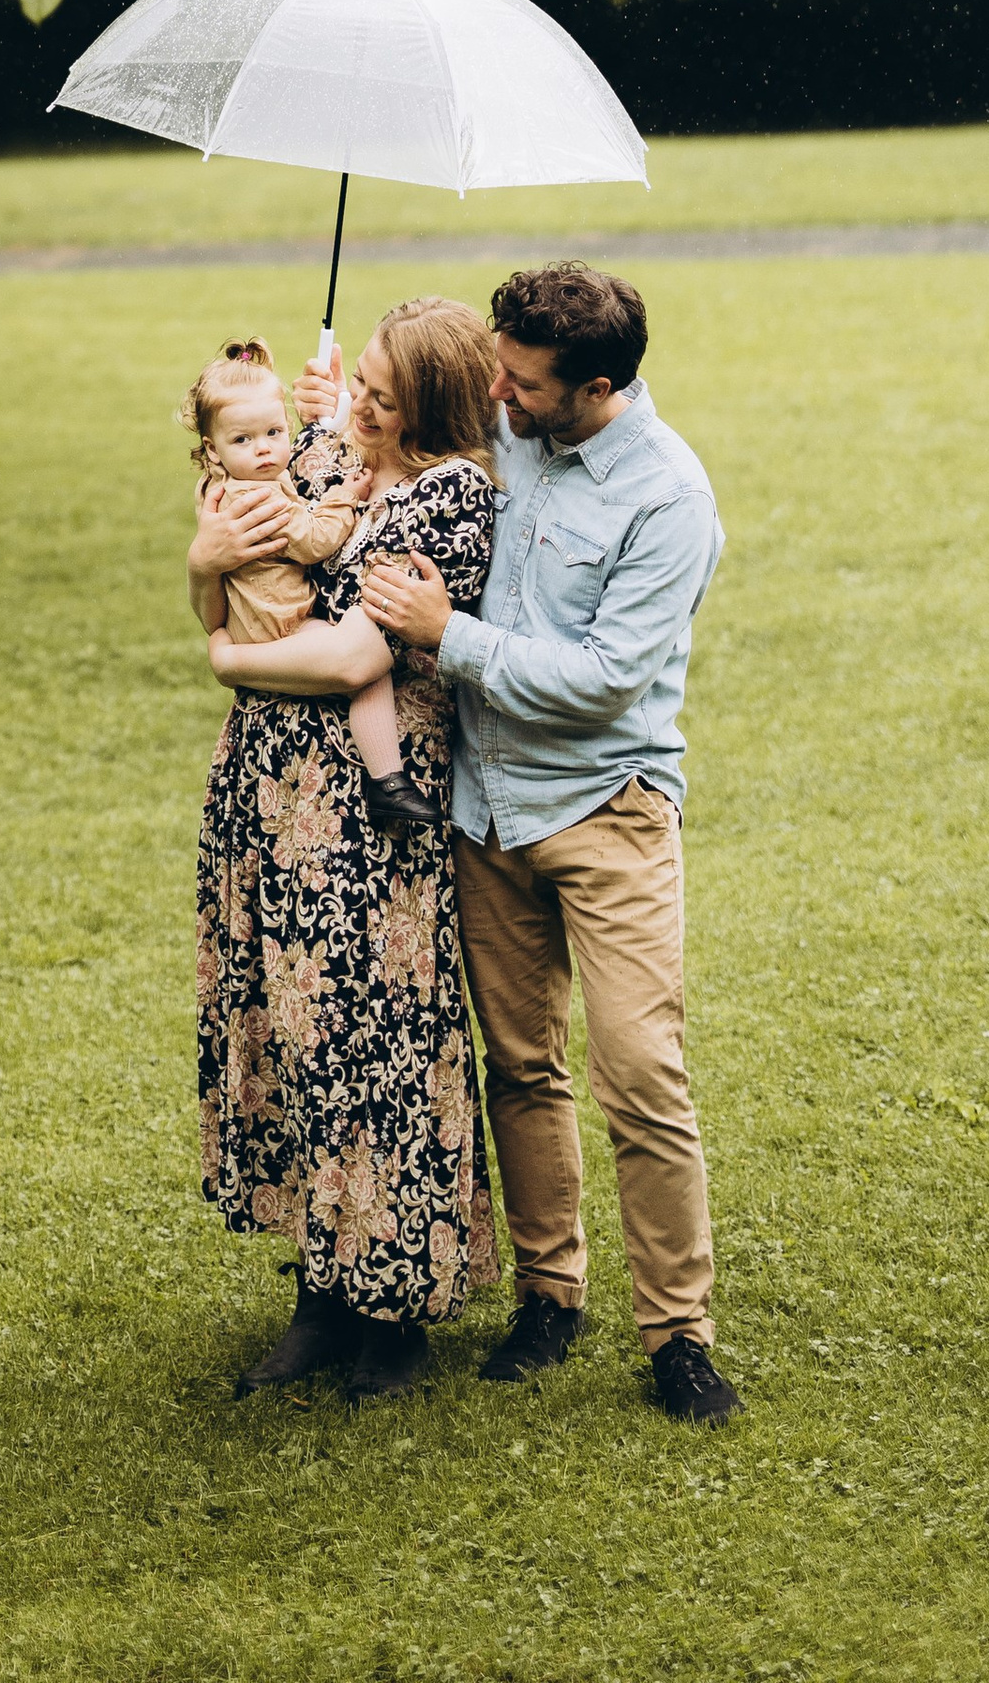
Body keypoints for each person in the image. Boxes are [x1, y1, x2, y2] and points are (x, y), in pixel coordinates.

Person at [358, 259, 740, 1429]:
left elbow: (608, 680)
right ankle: (547, 1295)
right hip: (484, 813)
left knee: (641, 1078)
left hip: (605, 814)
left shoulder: (667, 499)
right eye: (499, 376)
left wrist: (449, 635)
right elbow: (408, 435)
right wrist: (340, 405)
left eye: (523, 386)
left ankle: (677, 1337)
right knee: (519, 1066)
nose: (500, 400)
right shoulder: (506, 431)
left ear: (599, 387)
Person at [190, 297, 503, 1402]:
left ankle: (395, 1312)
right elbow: (227, 582)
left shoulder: (453, 496)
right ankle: (320, 1294)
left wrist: (229, 663)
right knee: (298, 1036)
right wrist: (200, 564)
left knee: (381, 1041)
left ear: (430, 404)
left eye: (380, 394)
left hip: (370, 816)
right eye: (357, 380)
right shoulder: (322, 452)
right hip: (268, 796)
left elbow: (351, 658)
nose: (352, 402)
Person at [182, 332, 435, 831]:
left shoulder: (219, 487)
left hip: (251, 621)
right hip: (281, 624)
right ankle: (388, 780)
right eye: (243, 440)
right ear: (213, 448)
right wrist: (346, 497)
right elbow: (315, 540)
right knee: (368, 669)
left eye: (275, 432)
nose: (264, 450)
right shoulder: (259, 499)